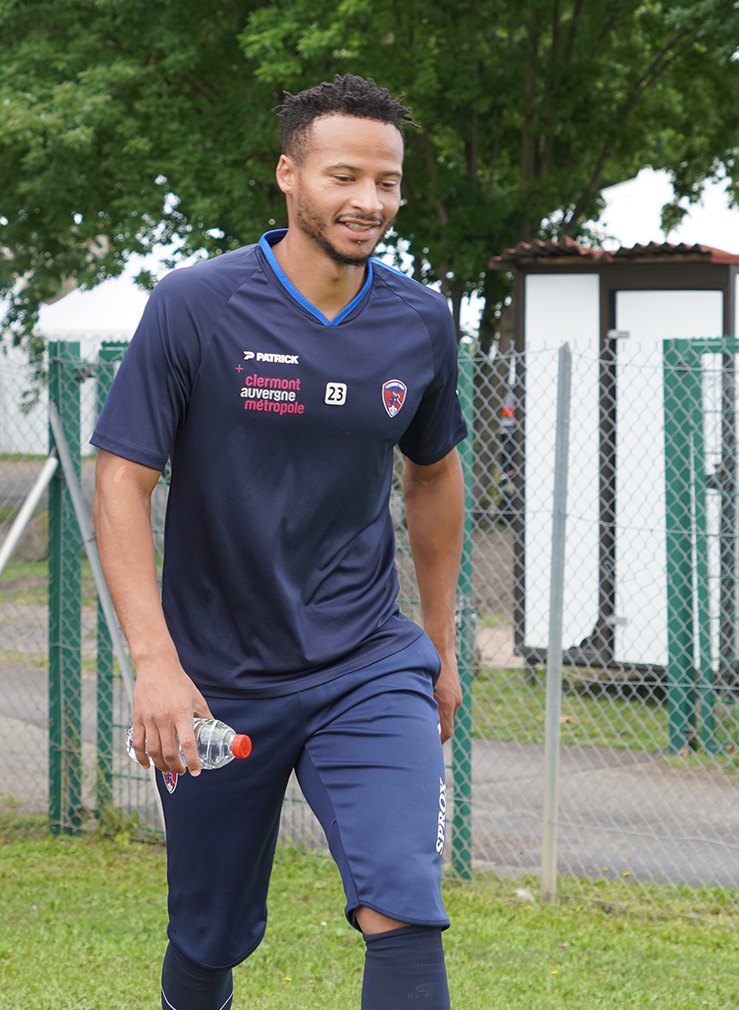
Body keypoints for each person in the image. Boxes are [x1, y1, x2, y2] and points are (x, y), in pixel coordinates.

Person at [92, 75, 465, 1010]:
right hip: (218, 679)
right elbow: (122, 479)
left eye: (388, 182)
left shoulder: (420, 319)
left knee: (403, 903)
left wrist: (438, 645)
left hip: (368, 660)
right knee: (208, 936)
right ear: (288, 176)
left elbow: (432, 475)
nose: (369, 201)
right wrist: (155, 664)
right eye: (345, 177)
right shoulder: (196, 304)